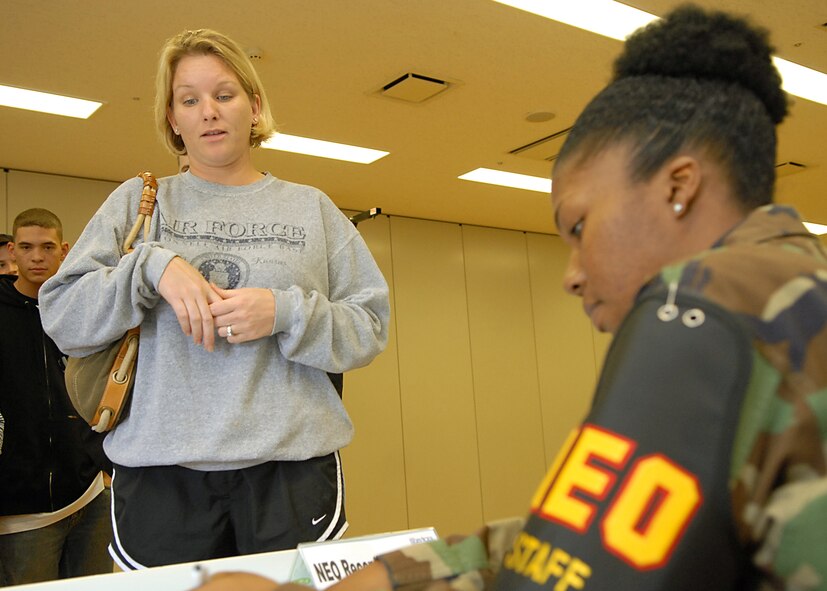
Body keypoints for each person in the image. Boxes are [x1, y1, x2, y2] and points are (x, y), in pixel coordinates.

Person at [193, 5, 827, 590]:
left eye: (580, 229)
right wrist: (390, 578)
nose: (572, 274)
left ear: (678, 187)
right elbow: (583, 538)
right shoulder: (790, 293)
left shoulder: (706, 307)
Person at [39, 28, 390, 570]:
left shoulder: (312, 210)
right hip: (161, 479)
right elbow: (63, 314)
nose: (209, 111)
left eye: (224, 95)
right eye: (189, 99)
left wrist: (286, 311)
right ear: (172, 119)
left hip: (290, 473)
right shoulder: (138, 204)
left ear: (253, 107)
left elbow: (369, 326)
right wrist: (151, 268)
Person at [0, 208, 112, 585]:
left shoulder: (81, 311)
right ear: (12, 251)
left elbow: (107, 387)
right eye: (27, 247)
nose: (37, 257)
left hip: (89, 493)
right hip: (20, 508)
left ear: (64, 250)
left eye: (47, 247)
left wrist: (105, 467)